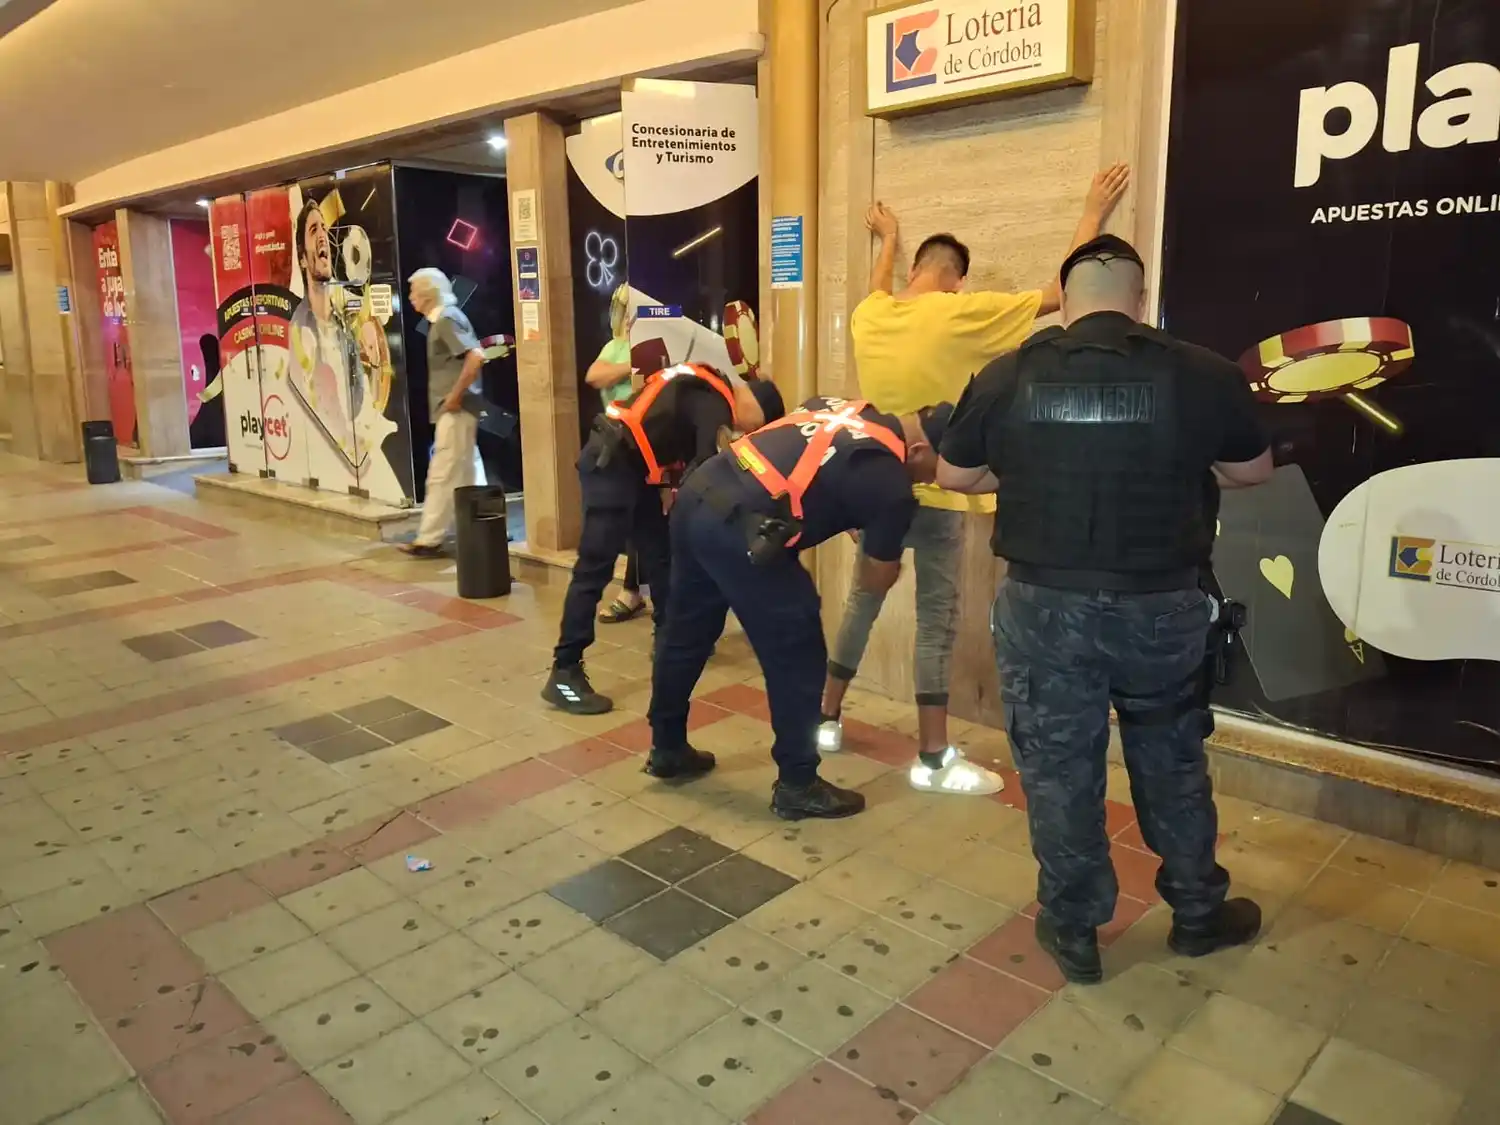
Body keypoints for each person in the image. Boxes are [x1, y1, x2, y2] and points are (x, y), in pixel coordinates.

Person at [935, 233, 1273, 985]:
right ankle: (1197, 912)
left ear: (1065, 296)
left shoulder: (1007, 373)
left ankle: (1075, 928)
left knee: (1059, 770)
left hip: (1043, 608)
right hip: (1162, 607)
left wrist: (1028, 469)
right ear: (1140, 298)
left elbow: (956, 474)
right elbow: (1253, 470)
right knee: (1173, 761)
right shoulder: (1204, 372)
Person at [819, 165, 1132, 799]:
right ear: (957, 280)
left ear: (916, 270)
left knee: (861, 604)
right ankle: (932, 756)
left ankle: (824, 718)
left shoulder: (869, 315)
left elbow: (879, 286)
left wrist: (887, 240)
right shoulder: (964, 313)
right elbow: (1061, 292)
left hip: (871, 488)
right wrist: (1092, 211)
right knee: (936, 621)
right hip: (938, 489)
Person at [646, 396, 953, 821]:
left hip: (699, 494)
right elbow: (874, 579)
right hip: (746, 530)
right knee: (799, 650)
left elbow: (810, 464)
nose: (930, 482)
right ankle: (798, 783)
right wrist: (888, 553)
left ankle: (666, 747)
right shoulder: (890, 483)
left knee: (685, 633)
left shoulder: (842, 407)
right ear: (917, 450)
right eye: (933, 473)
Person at [542, 364, 785, 716]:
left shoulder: (702, 389)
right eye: (754, 426)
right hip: (612, 465)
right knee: (594, 568)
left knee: (660, 553)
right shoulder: (716, 402)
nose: (746, 432)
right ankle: (564, 671)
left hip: (633, 469)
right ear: (753, 403)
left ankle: (671, 636)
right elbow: (707, 474)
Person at [401, 268, 485, 558]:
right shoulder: (442, 321)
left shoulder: (447, 319)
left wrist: (455, 396)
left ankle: (429, 538)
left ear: (428, 294)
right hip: (457, 408)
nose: (411, 298)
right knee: (468, 472)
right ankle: (485, 528)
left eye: (414, 292)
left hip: (456, 410)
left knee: (442, 473)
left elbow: (475, 356)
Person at [588, 285, 650, 625]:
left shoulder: (662, 343)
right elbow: (595, 376)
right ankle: (631, 590)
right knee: (634, 521)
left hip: (657, 444)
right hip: (623, 445)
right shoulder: (615, 347)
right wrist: (634, 365)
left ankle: (638, 592)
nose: (627, 318)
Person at [289, 199, 361, 463]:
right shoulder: (300, 330)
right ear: (302, 260)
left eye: (324, 228)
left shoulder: (343, 321)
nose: (323, 237)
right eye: (313, 230)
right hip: (330, 457)